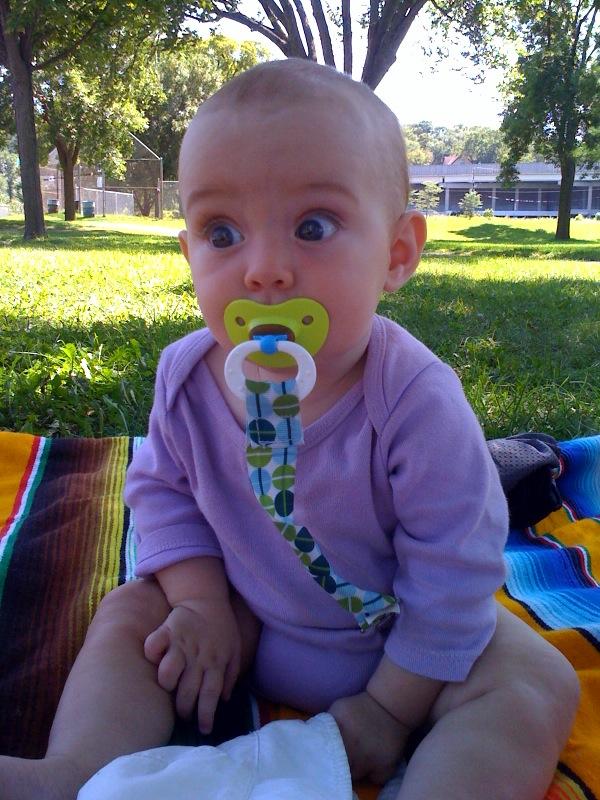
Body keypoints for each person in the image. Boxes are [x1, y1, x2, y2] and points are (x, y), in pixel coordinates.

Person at [2, 59, 579, 800]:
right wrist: (200, 602)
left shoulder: (415, 399)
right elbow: (163, 496)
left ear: (397, 253)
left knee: (535, 682)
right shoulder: (186, 377)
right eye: (222, 233)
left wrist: (388, 707)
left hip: (398, 644)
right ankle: (75, 771)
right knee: (132, 610)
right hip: (245, 621)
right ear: (188, 254)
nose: (265, 270)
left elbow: (455, 571)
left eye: (313, 227)